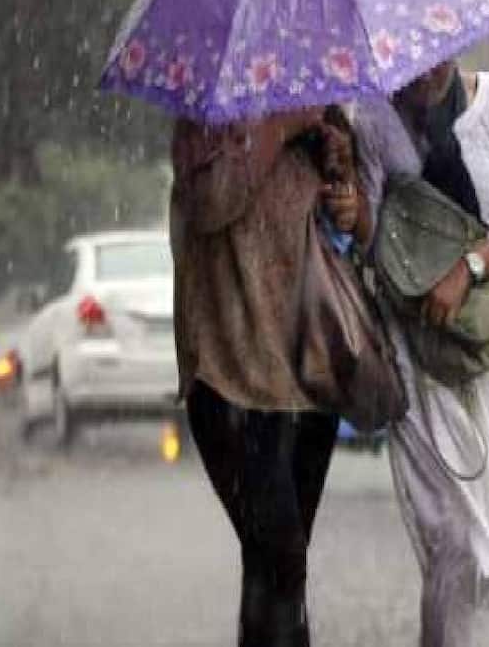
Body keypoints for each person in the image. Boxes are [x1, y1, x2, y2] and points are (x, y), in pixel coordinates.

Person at [352, 60, 489, 646]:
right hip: (412, 357)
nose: (428, 70)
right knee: (452, 539)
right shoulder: (372, 118)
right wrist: (350, 204)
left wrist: (468, 268)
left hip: (484, 348)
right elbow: (367, 237)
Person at [169, 106, 366, 647]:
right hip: (230, 376)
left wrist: (343, 178)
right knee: (280, 554)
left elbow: (345, 219)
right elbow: (210, 204)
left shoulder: (319, 104)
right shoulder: (205, 115)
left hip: (307, 374)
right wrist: (277, 128)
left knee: (279, 565)